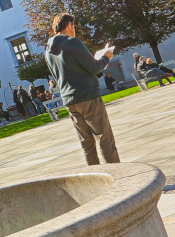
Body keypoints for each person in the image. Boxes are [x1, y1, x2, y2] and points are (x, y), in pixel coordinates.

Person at [45, 12, 120, 165]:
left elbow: (57, 75)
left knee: (87, 144)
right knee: (105, 139)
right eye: (74, 26)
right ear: (68, 25)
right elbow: (95, 67)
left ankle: (95, 179)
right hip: (88, 96)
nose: (75, 29)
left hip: (69, 99)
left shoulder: (48, 50)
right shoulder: (73, 42)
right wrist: (106, 56)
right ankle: (118, 176)